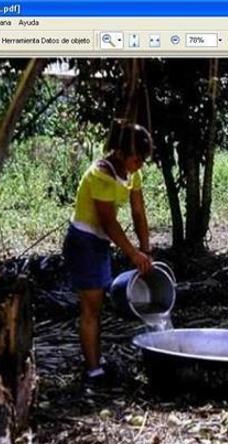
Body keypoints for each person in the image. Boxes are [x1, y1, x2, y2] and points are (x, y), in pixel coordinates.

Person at [63, 120, 154, 384]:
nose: (140, 165)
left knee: (98, 304)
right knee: (90, 308)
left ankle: (96, 359)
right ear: (121, 153)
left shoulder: (132, 172)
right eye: (137, 159)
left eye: (142, 161)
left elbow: (138, 213)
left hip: (99, 242)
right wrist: (133, 254)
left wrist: (146, 248)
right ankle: (93, 370)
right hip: (84, 242)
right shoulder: (100, 174)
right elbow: (108, 222)